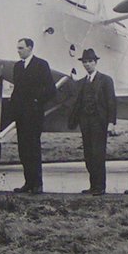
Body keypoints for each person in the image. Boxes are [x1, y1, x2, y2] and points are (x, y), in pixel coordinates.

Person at [66, 48, 116, 195]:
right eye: (85, 62)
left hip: (99, 122)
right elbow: (76, 102)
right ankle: (93, 185)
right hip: (85, 122)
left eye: (90, 62)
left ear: (95, 62)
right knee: (88, 154)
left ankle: (100, 186)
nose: (87, 64)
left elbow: (111, 102)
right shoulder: (81, 82)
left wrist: (111, 122)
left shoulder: (106, 80)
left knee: (98, 154)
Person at [10, 37, 56, 194]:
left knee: (33, 148)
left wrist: (37, 100)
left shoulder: (41, 65)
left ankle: (37, 184)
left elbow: (51, 89)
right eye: (17, 48)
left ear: (30, 48)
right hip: (21, 115)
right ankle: (28, 182)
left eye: (21, 48)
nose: (18, 51)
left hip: (34, 115)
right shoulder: (17, 67)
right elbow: (17, 89)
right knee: (23, 149)